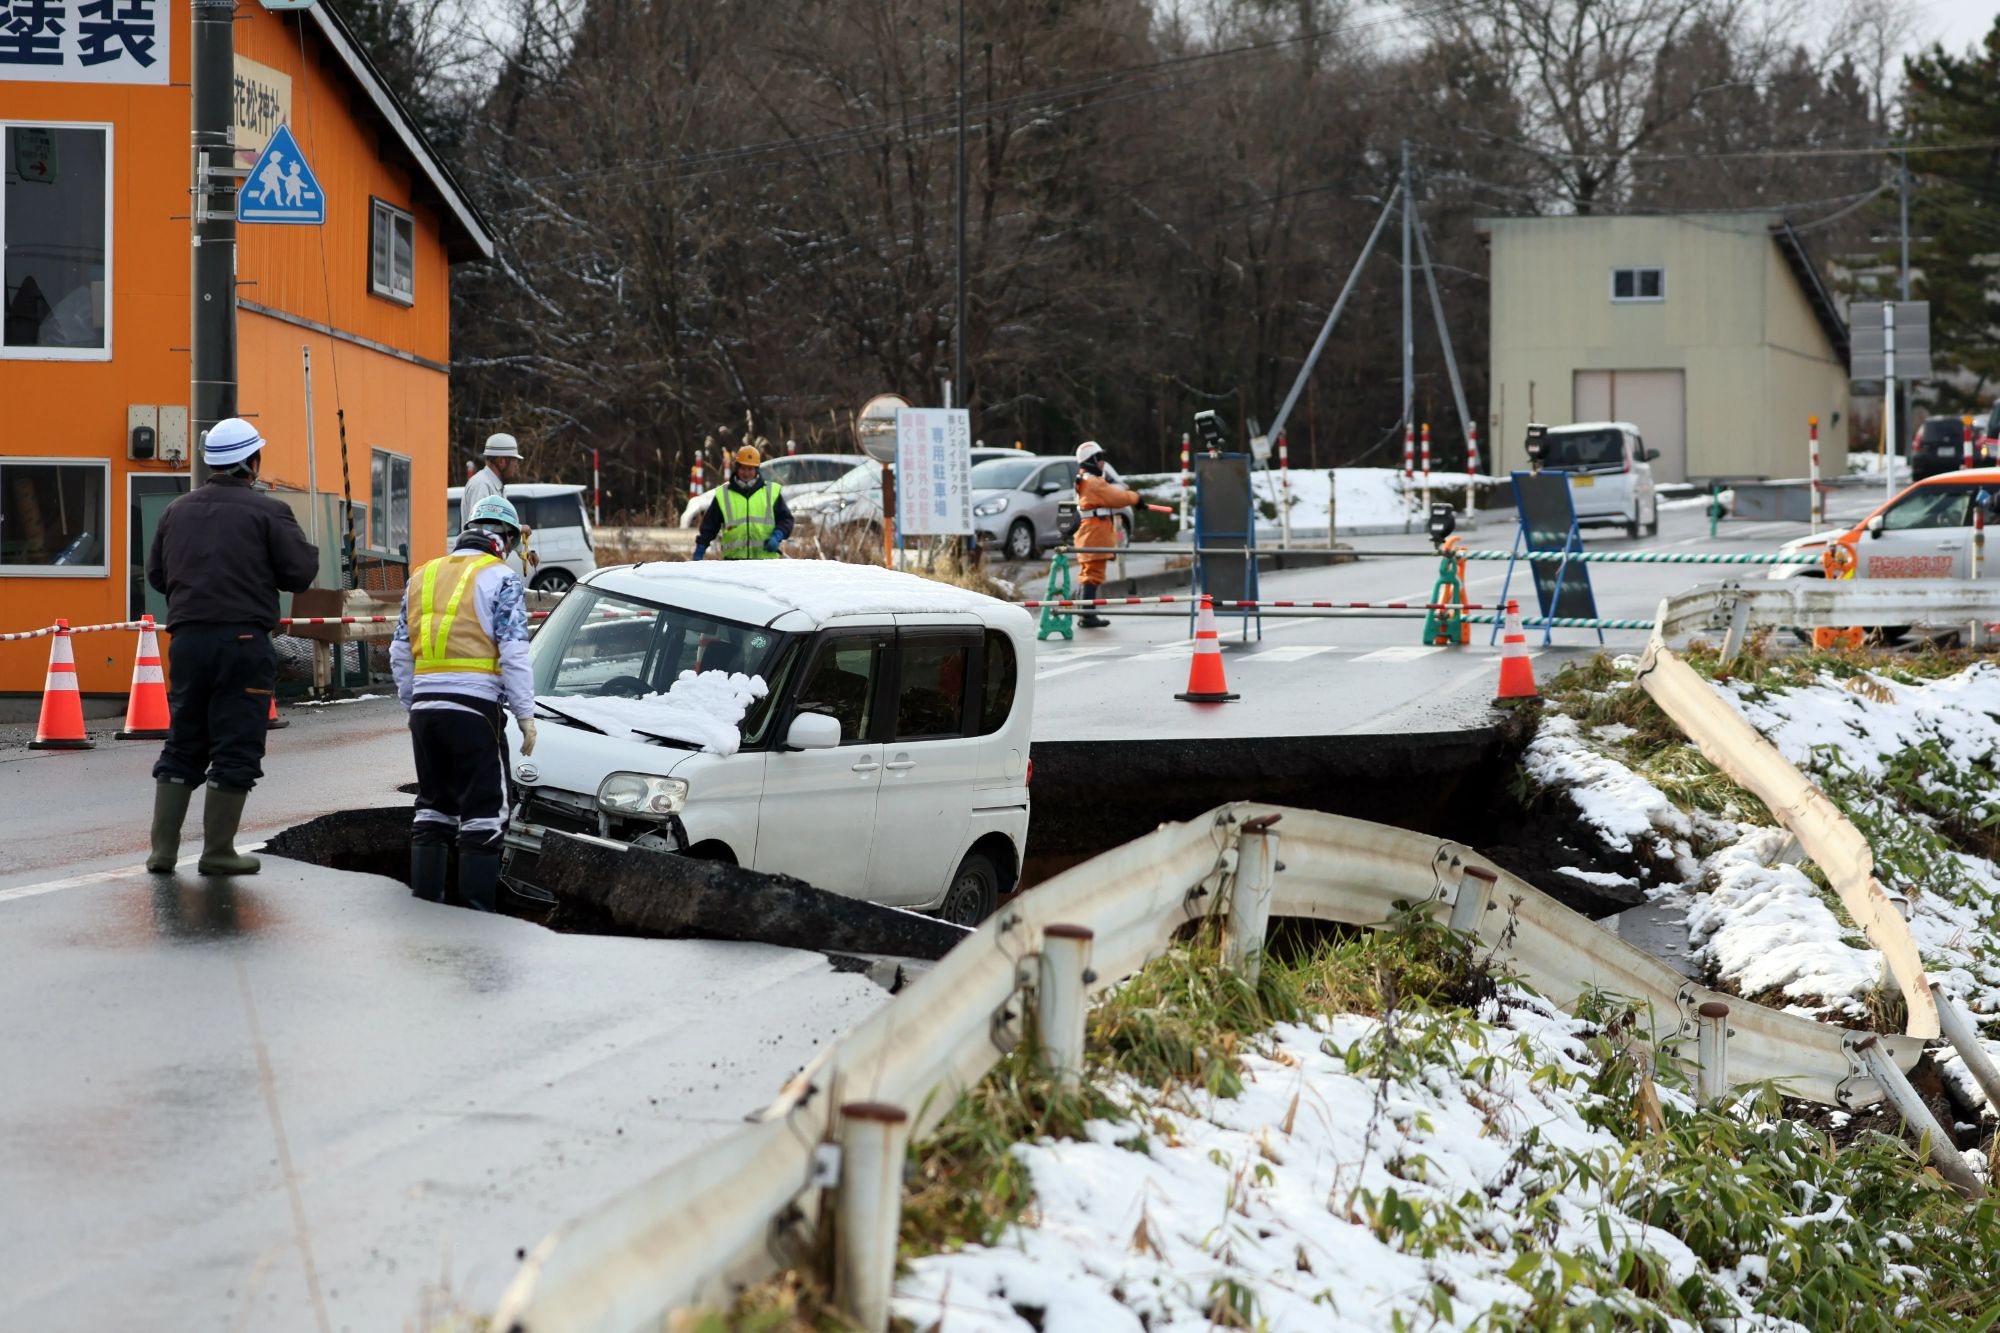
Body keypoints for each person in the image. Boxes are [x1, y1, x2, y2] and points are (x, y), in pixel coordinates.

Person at [145, 418, 320, 875]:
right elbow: (299, 573)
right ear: (251, 463)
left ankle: (162, 853)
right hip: (242, 643)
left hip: (186, 641)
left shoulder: (176, 511)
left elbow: (158, 577)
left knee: (184, 741)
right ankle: (217, 852)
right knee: (236, 743)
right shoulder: (268, 512)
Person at [390, 495, 537, 911]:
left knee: (434, 805)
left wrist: (414, 703)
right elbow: (513, 652)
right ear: (503, 538)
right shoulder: (501, 578)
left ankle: (428, 904)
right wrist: (525, 715)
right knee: (486, 810)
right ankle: (475, 916)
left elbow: (400, 652)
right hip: (475, 707)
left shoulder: (423, 574)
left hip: (426, 709)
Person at [1072, 441, 1138, 628]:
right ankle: (1087, 615)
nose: (1102, 463)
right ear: (1091, 460)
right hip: (1094, 534)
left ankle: (1085, 613)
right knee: (1092, 575)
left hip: (1088, 533)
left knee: (1088, 574)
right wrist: (1136, 498)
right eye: (1099, 458)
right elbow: (1118, 498)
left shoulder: (1083, 480)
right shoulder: (1094, 483)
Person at [693, 444, 793, 560]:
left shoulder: (771, 493)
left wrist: (777, 536)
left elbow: (786, 520)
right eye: (743, 468)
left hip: (766, 562)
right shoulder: (723, 495)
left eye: (750, 469)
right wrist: (700, 548)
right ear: (737, 468)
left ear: (756, 470)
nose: (746, 473)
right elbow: (709, 526)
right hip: (733, 563)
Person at [461, 432, 521, 514]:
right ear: (501, 461)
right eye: (514, 460)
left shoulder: (494, 485)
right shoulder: (482, 485)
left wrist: (518, 527)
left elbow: (497, 522)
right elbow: (480, 524)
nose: (516, 465)